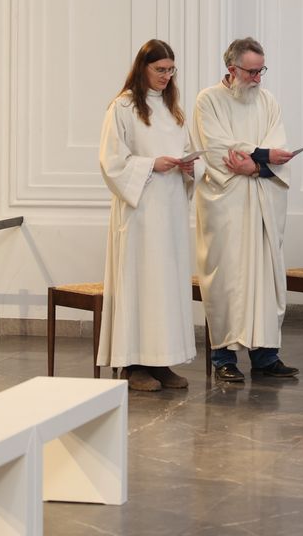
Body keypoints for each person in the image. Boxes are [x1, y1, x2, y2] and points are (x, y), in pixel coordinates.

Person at [193, 37, 298, 382]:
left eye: (260, 71)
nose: (257, 78)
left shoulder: (267, 101)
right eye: (251, 72)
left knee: (265, 278)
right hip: (226, 205)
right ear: (231, 69)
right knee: (227, 280)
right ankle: (223, 357)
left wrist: (256, 165)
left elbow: (278, 148)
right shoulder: (208, 100)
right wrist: (262, 155)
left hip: (262, 201)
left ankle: (266, 356)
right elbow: (216, 147)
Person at [96, 40, 197, 392]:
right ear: (142, 68)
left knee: (165, 286)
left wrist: (187, 165)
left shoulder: (173, 110)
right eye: (160, 70)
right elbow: (111, 162)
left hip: (168, 211)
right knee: (140, 283)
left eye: (171, 70)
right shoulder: (122, 107)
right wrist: (152, 164)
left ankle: (162, 360)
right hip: (139, 212)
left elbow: (183, 150)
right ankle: (133, 364)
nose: (166, 77)